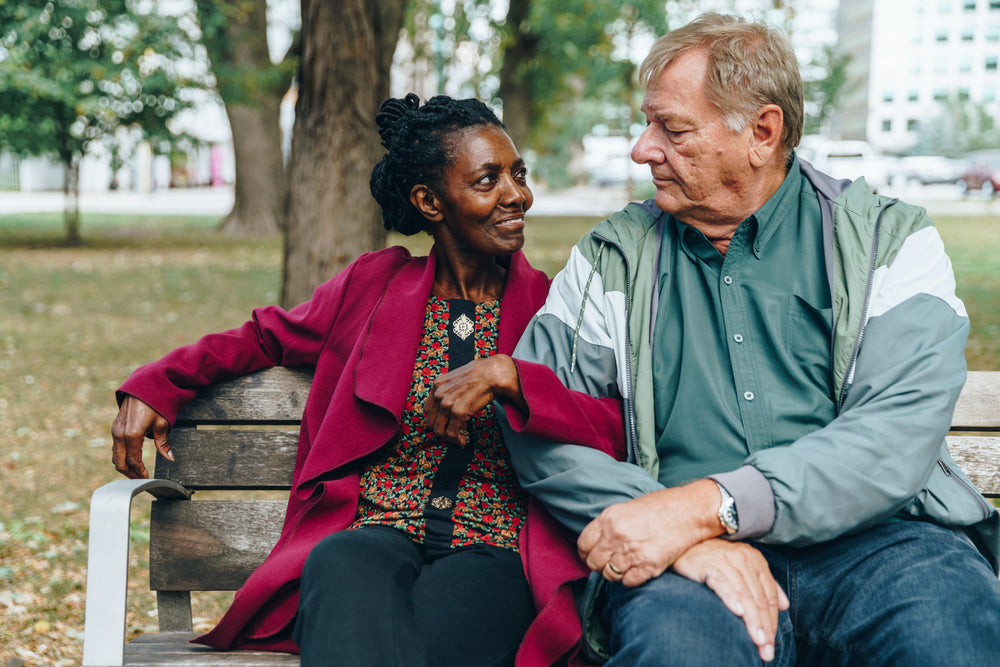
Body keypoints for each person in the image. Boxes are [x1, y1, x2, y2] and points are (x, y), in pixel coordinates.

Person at [499, 13, 1000, 666]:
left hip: (884, 544)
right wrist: (677, 531)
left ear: (762, 132)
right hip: (688, 564)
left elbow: (894, 435)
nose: (642, 149)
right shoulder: (610, 259)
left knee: (950, 644)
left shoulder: (888, 239)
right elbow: (541, 419)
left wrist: (712, 506)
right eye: (648, 124)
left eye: (671, 128)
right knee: (677, 653)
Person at [111, 93, 626, 666]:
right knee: (338, 563)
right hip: (376, 530)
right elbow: (261, 337)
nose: (517, 195)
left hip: (495, 549)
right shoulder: (373, 286)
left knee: (451, 623)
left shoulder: (553, 308)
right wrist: (155, 383)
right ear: (430, 201)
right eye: (488, 180)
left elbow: (611, 424)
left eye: (518, 174)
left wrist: (512, 378)